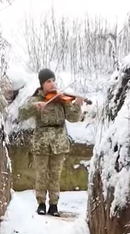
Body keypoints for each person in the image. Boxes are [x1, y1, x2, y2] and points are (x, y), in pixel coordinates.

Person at [18, 68, 84, 216]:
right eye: (49, 81)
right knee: (41, 174)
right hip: (41, 142)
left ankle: (54, 205)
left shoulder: (61, 99)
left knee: (55, 175)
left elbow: (73, 118)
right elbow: (21, 113)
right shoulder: (35, 99)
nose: (52, 84)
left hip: (59, 142)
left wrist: (78, 105)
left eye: (53, 80)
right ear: (42, 83)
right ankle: (41, 203)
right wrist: (35, 107)